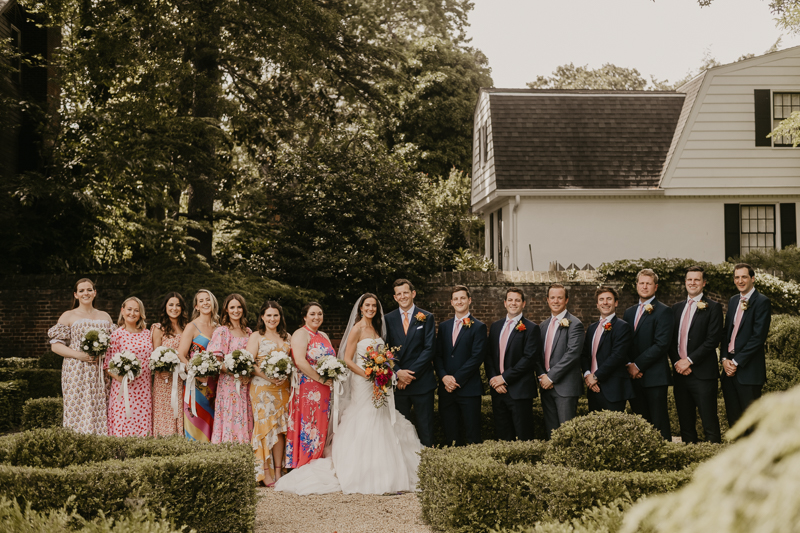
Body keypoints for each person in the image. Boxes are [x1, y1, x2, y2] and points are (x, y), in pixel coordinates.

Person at [275, 293, 422, 495]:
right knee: (364, 416)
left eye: (374, 305)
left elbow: (383, 356)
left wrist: (385, 371)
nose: (370, 308)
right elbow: (347, 359)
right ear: (360, 308)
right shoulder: (357, 328)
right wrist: (369, 375)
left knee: (381, 418)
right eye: (367, 305)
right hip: (363, 381)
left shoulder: (377, 328)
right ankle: (360, 472)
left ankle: (386, 470)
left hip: (378, 381)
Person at [48, 278, 115, 435]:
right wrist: (80, 355)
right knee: (77, 407)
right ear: (76, 295)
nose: (86, 293)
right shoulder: (68, 315)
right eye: (82, 290)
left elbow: (114, 345)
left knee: (101, 406)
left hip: (100, 371)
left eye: (89, 289)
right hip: (76, 369)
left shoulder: (105, 316)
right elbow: (55, 346)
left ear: (95, 292)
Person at [669, 266, 723, 443]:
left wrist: (689, 361)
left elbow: (712, 340)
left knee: (709, 421)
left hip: (703, 375)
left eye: (696, 280)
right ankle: (690, 459)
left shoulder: (713, 307)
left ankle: (715, 458)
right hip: (680, 374)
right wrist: (678, 362)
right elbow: (670, 340)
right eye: (689, 280)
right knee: (685, 423)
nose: (692, 283)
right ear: (685, 282)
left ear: (703, 283)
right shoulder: (676, 309)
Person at [622, 268, 675, 441]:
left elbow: (661, 345)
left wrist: (637, 365)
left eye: (648, 283)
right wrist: (629, 365)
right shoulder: (629, 313)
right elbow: (625, 343)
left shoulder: (664, 311)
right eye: (641, 283)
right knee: (641, 423)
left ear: (656, 287)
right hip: (633, 376)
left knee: (659, 422)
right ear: (636, 285)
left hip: (654, 376)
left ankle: (665, 460)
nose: (644, 286)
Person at [384, 279, 437, 447]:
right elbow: (385, 350)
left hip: (421, 381)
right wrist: (398, 373)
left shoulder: (427, 317)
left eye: (405, 292)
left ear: (413, 293)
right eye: (398, 294)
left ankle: (428, 464)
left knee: (426, 428)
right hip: (398, 384)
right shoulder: (387, 318)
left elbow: (429, 349)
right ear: (394, 297)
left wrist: (408, 375)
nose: (402, 296)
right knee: (401, 429)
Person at [245, 300, 292, 487]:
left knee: (280, 429)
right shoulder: (256, 336)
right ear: (262, 317)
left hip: (283, 387)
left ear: (280, 317)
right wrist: (269, 377)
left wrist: (285, 373)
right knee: (265, 429)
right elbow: (250, 363)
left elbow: (292, 361)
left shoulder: (287, 337)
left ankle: (279, 470)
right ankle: (265, 472)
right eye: (269, 315)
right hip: (262, 387)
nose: (272, 319)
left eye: (276, 315)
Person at [433, 285, 486, 446]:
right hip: (446, 391)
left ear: (469, 300)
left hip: (468, 389)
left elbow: (477, 357)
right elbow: (437, 355)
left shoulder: (479, 327)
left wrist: (455, 379)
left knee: (472, 435)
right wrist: (443, 377)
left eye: (463, 298)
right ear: (451, 302)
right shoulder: (444, 327)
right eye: (456, 299)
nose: (459, 301)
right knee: (451, 435)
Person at [284, 302, 335, 469]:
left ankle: (317, 460)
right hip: (307, 388)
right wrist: (320, 378)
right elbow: (299, 361)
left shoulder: (324, 336)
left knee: (321, 425)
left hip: (325, 389)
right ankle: (304, 463)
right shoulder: (300, 334)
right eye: (312, 314)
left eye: (319, 314)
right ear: (304, 316)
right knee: (308, 424)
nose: (316, 317)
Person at [485, 287, 540, 441]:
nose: (513, 303)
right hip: (498, 391)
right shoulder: (496, 326)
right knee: (503, 436)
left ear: (523, 304)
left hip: (519, 391)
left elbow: (528, 359)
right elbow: (489, 356)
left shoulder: (531, 328)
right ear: (504, 303)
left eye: (517, 300)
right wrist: (494, 380)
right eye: (510, 300)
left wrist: (504, 378)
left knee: (524, 436)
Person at [721, 263, 772, 426]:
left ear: (753, 279)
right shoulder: (734, 300)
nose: (740, 280)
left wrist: (736, 362)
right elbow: (726, 333)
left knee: (751, 423)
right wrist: (724, 359)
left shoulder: (762, 302)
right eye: (737, 277)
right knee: (734, 422)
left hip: (748, 371)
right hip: (728, 371)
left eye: (744, 277)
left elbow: (758, 338)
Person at [536, 283, 584, 440]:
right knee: (552, 433)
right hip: (546, 387)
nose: (556, 301)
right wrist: (542, 375)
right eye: (552, 298)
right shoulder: (543, 326)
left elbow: (572, 354)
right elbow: (538, 355)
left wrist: (551, 377)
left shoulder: (575, 324)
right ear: (547, 300)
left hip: (565, 387)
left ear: (566, 300)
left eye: (559, 298)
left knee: (567, 434)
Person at [104, 296, 153, 437]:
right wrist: (121, 378)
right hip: (124, 387)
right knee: (124, 421)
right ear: (122, 311)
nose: (132, 313)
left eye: (136, 310)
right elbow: (107, 365)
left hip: (144, 388)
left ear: (141, 314)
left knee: (142, 423)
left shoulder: (147, 334)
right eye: (129, 309)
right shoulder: (116, 335)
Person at [581, 286, 634, 413]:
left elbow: (617, 356)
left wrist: (596, 376)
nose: (605, 302)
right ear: (597, 304)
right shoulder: (592, 328)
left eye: (609, 299)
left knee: (614, 430)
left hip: (613, 388)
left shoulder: (622, 327)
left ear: (616, 303)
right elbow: (584, 355)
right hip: (592, 387)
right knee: (595, 429)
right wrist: (588, 375)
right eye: (601, 299)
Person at [177, 289, 220, 442]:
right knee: (196, 423)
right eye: (201, 301)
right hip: (195, 386)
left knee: (214, 423)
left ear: (213, 302)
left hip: (215, 385)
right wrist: (195, 372)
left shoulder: (219, 328)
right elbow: (181, 354)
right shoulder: (192, 326)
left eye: (207, 299)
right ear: (196, 306)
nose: (205, 303)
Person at [210, 293, 253, 444]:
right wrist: (235, 373)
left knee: (245, 415)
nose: (236, 310)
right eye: (232, 307)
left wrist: (247, 373)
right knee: (231, 416)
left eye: (239, 307)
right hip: (228, 384)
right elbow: (215, 361)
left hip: (246, 384)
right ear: (226, 310)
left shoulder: (249, 332)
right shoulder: (222, 331)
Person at [150, 292, 188, 437]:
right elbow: (154, 355)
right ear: (165, 307)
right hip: (164, 380)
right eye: (171, 305)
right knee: (166, 414)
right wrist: (160, 371)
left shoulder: (186, 328)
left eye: (178, 305)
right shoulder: (159, 328)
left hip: (182, 379)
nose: (174, 308)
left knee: (181, 413)